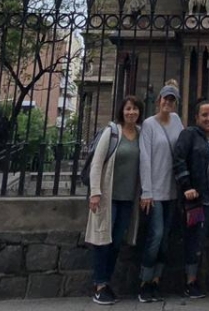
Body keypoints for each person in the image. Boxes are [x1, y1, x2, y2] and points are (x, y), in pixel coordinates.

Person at [85, 94, 145, 306]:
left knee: (117, 241)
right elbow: (97, 163)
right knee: (103, 240)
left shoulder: (141, 133)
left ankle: (106, 281)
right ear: (122, 111)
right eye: (128, 108)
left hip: (128, 199)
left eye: (135, 109)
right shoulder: (111, 132)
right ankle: (100, 285)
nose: (131, 112)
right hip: (107, 198)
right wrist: (95, 192)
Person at [137, 83, 184, 303]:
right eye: (166, 98)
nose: (168, 102)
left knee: (165, 238)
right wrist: (146, 191)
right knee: (155, 235)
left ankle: (156, 280)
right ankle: (144, 282)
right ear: (158, 100)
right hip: (154, 192)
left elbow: (183, 148)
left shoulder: (177, 121)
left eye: (172, 99)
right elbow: (145, 158)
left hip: (172, 191)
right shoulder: (148, 124)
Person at [173, 99, 209, 299]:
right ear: (196, 118)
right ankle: (190, 282)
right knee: (194, 238)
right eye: (205, 115)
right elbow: (179, 159)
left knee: (199, 239)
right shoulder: (189, 135)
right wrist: (187, 186)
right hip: (196, 199)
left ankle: (193, 279)